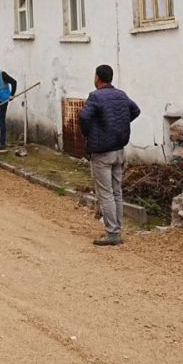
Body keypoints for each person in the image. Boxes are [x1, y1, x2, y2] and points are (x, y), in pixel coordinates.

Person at [78, 64, 140, 247]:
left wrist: (89, 133)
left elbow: (84, 117)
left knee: (106, 194)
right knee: (117, 192)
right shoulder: (121, 95)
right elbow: (135, 110)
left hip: (102, 151)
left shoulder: (95, 96)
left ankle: (112, 234)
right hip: (119, 150)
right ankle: (117, 229)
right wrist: (118, 125)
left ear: (97, 78)